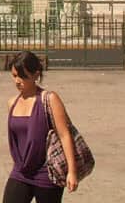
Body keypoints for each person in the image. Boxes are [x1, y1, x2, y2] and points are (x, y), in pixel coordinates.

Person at [5, 51, 80, 203]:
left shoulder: (50, 99)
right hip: (21, 171)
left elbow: (65, 135)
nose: (17, 81)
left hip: (47, 174)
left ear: (35, 75)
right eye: (14, 76)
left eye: (22, 76)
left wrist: (72, 172)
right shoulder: (12, 103)